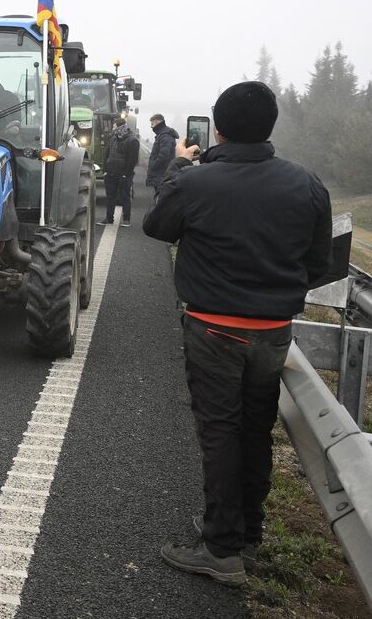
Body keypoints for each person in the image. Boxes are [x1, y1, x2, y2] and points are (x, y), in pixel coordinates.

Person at [143, 81, 331, 586]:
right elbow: (318, 263)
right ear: (270, 126)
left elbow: (156, 227)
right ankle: (247, 535)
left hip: (214, 329)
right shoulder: (308, 183)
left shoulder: (197, 182)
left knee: (220, 432)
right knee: (254, 428)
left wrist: (180, 165)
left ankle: (221, 548)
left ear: (218, 128)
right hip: (273, 332)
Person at [100, 116, 139, 226]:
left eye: (113, 126)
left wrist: (126, 174)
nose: (112, 128)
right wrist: (105, 170)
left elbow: (133, 159)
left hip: (124, 175)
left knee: (124, 197)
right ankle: (109, 218)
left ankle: (126, 219)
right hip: (111, 173)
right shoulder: (113, 138)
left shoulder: (132, 140)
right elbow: (106, 155)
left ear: (119, 126)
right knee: (110, 197)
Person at [145, 113, 178, 196]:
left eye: (152, 124)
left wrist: (154, 166)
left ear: (157, 122)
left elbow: (163, 156)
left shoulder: (165, 136)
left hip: (162, 174)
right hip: (161, 174)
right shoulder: (162, 135)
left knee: (160, 198)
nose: (151, 127)